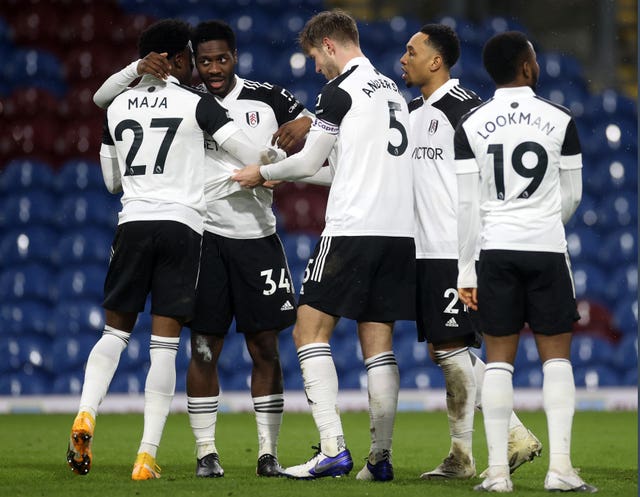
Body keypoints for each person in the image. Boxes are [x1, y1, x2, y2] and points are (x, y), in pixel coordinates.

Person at [92, 20, 314, 478]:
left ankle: (267, 452)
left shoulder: (267, 96)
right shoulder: (188, 100)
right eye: (205, 61)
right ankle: (206, 452)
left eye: (221, 59)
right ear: (192, 60)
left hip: (258, 237)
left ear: (235, 56)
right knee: (204, 347)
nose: (213, 69)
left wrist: (306, 120)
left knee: (265, 347)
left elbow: (314, 125)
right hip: (204, 237)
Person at [232, 9, 415, 482]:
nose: (315, 67)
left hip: (353, 229)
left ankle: (333, 447)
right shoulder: (393, 91)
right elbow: (338, 168)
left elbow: (311, 157)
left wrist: (264, 172)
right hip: (397, 232)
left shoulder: (340, 91)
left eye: (315, 56)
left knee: (307, 331)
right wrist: (285, 176)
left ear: (329, 46)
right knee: (378, 343)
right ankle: (380, 459)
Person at [455, 31, 596, 493]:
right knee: (557, 360)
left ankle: (497, 473)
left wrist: (466, 269)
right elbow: (572, 195)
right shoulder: (560, 118)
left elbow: (467, 205)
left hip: (495, 249)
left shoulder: (472, 124)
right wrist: (540, 222)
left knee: (498, 361)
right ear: (529, 67)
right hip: (546, 248)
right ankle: (560, 470)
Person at [400, 24, 542, 480]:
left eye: (412, 51)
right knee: (446, 350)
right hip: (427, 249)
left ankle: (512, 434)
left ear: (436, 61)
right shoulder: (412, 113)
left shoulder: (467, 112)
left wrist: (476, 255)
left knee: (450, 347)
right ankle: (461, 456)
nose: (404, 59)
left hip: (456, 248)